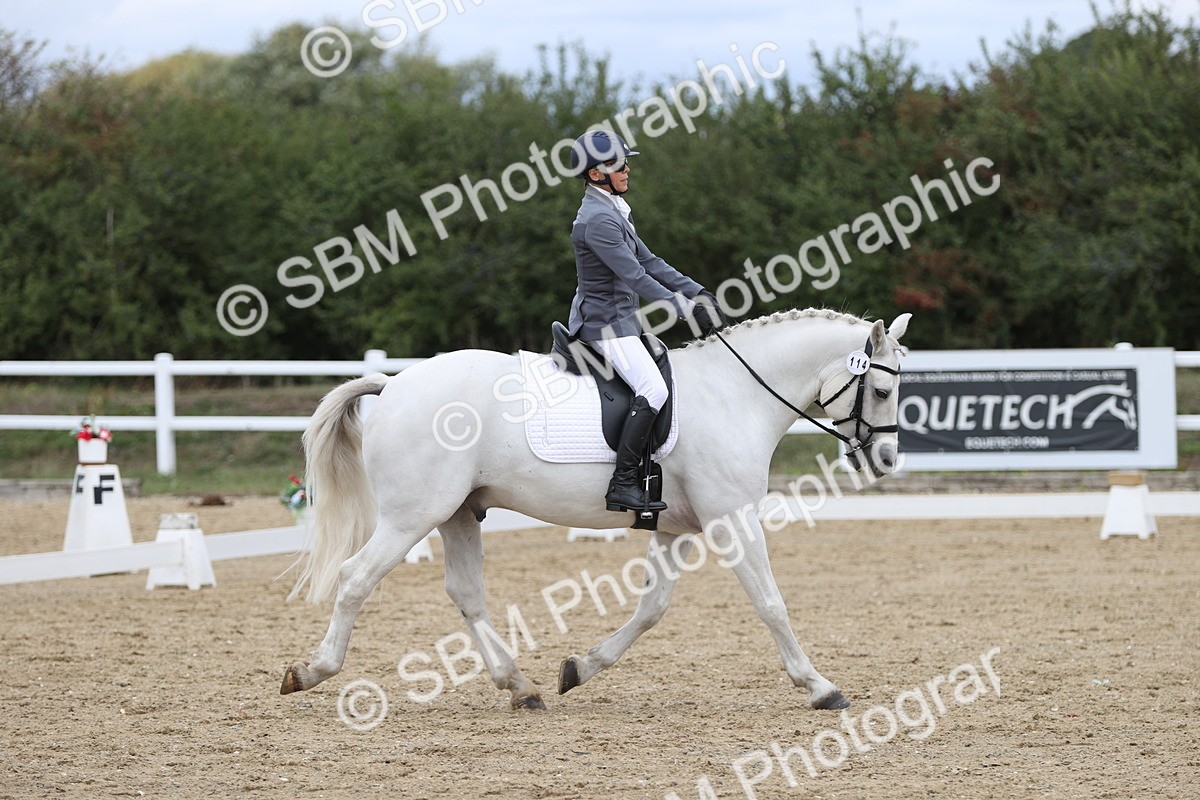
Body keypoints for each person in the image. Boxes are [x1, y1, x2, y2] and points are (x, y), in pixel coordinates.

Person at [566, 129, 726, 514]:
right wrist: (684, 309)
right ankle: (622, 483)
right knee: (654, 389)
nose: (627, 169)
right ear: (595, 174)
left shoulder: (612, 210)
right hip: (604, 324)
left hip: (621, 321)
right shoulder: (598, 220)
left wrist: (697, 291)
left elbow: (650, 261)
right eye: (618, 164)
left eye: (625, 162)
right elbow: (635, 277)